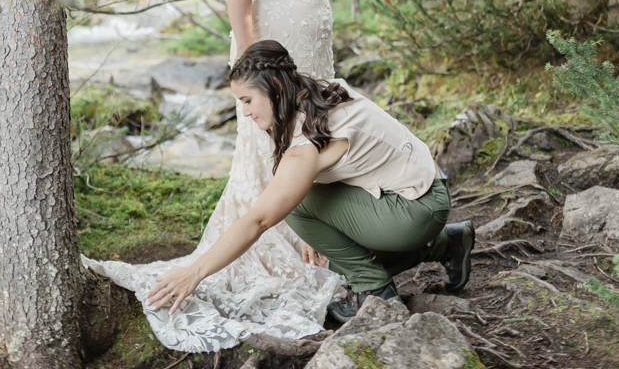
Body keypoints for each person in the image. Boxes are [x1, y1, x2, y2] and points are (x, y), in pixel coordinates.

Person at [82, 0, 342, 352]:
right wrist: (252, 67)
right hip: (269, 52)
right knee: (273, 142)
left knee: (314, 134)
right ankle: (278, 242)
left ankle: (321, 232)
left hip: (316, 50)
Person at [147, 40, 475, 323]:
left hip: (416, 209)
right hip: (427, 190)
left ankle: (375, 290)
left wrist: (195, 272)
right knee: (331, 260)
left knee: (297, 205)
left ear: (275, 89)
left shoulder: (306, 146)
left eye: (247, 100)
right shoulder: (318, 91)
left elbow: (259, 219)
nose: (245, 112)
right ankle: (449, 243)